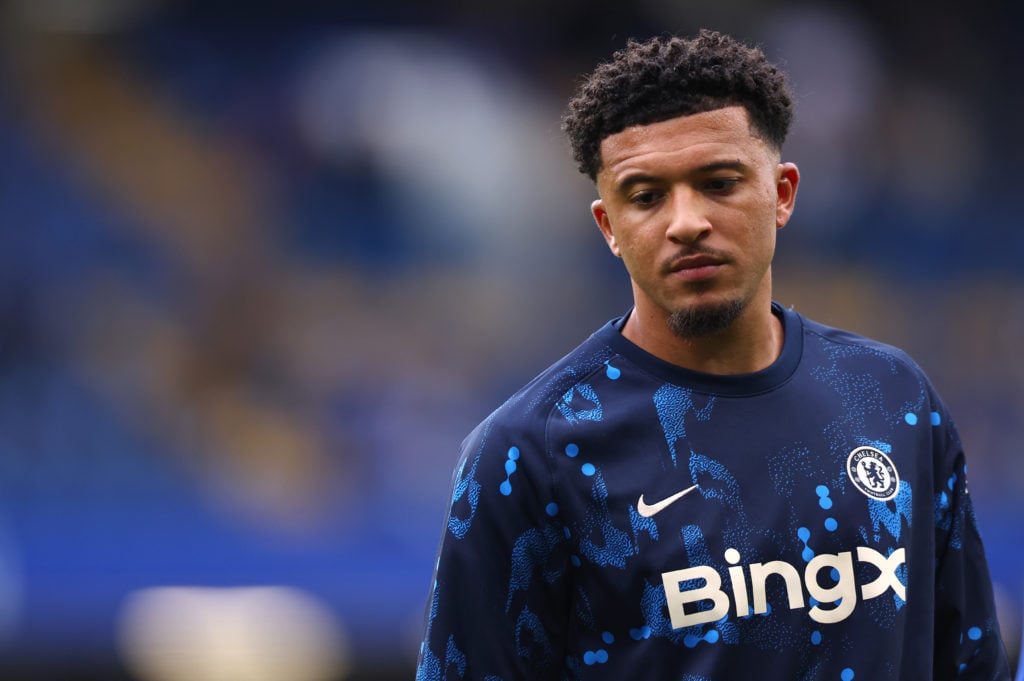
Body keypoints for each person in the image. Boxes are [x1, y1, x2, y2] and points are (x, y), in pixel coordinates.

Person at [414, 29, 1011, 680]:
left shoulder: (894, 398)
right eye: (646, 195)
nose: (686, 221)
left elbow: (968, 659)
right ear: (608, 227)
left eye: (718, 182)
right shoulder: (530, 454)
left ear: (782, 193)